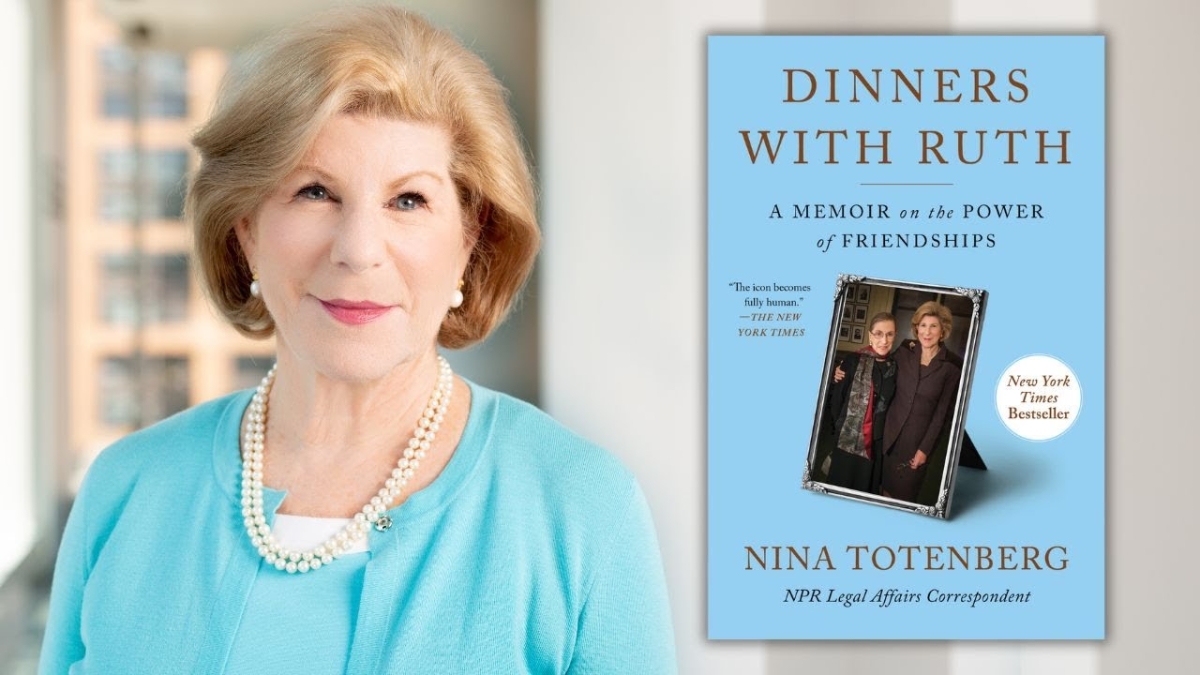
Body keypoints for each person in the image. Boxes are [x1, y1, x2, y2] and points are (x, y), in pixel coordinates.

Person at [39, 7, 676, 674]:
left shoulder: (582, 510)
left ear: (470, 240)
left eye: (409, 201)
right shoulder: (126, 490)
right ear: (245, 228)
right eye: (315, 191)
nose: (358, 250)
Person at [880, 301, 962, 503]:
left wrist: (924, 449)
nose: (927, 332)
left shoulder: (951, 367)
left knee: (904, 496)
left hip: (916, 443)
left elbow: (942, 415)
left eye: (933, 326)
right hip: (888, 436)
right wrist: (843, 369)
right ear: (916, 328)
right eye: (923, 325)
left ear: (942, 331)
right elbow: (879, 366)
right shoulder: (905, 350)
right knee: (881, 489)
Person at [821, 312, 897, 493]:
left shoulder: (895, 365)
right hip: (847, 438)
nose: (884, 340)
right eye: (878, 333)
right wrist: (842, 428)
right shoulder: (853, 360)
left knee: (865, 488)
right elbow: (837, 400)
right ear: (870, 335)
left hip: (875, 442)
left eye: (889, 334)